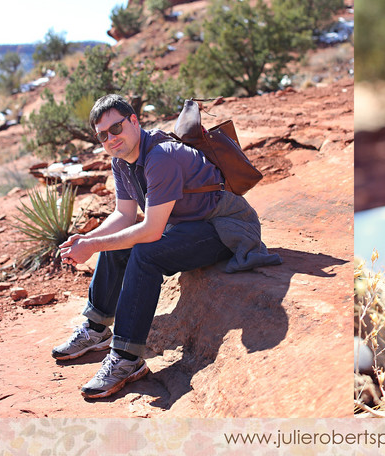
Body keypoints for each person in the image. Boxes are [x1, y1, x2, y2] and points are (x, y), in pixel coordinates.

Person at [52, 94, 281, 399]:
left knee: (145, 254)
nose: (111, 139)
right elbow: (124, 215)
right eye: (103, 135)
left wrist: (92, 246)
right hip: (186, 225)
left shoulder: (161, 157)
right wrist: (88, 240)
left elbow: (150, 230)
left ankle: (126, 359)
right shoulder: (121, 160)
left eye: (116, 128)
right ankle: (96, 329)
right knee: (115, 244)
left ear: (134, 121)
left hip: (223, 226)